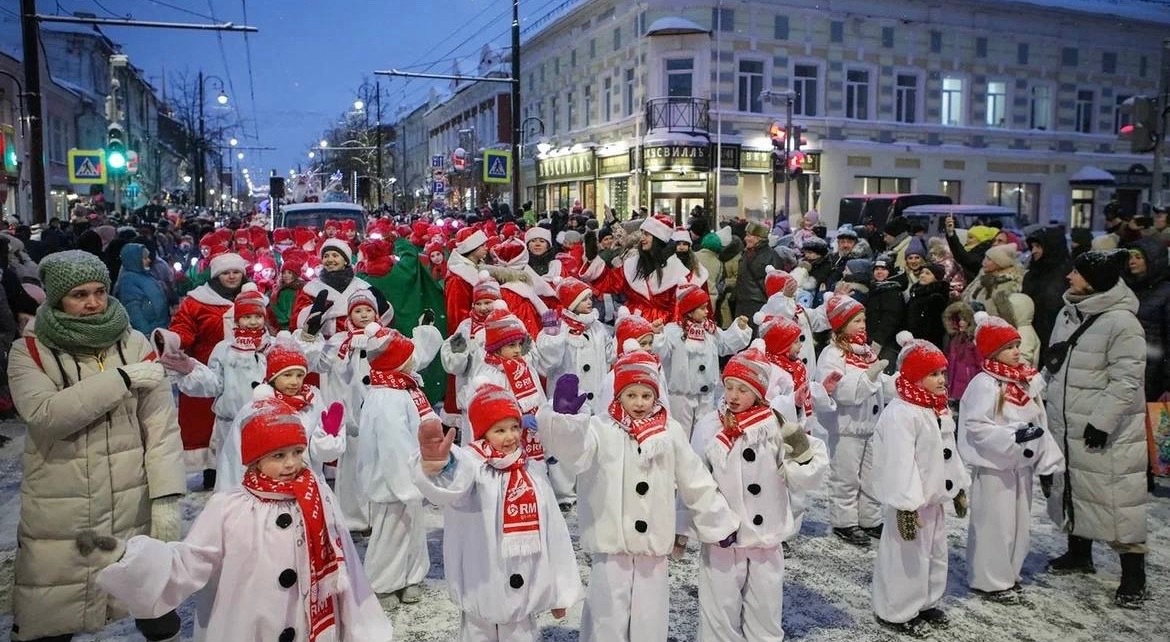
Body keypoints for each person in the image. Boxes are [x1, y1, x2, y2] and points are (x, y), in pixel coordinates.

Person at [89, 402, 395, 642]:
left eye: (297, 452)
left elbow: (345, 564)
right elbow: (191, 560)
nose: (290, 463)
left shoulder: (317, 495)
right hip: (249, 626)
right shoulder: (229, 506)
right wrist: (131, 560)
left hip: (308, 623)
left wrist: (361, 625)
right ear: (255, 460)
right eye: (278, 455)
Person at [8, 250, 185, 642]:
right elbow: (46, 414)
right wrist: (120, 380)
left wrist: (167, 496)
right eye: (79, 294)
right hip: (62, 508)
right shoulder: (30, 350)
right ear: (56, 299)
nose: (92, 303)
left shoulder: (134, 342)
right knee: (52, 613)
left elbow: (160, 426)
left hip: (130, 500)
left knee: (158, 614)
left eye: (99, 291)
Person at [536, 362, 739, 642]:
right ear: (618, 396)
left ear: (656, 397)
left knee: (649, 624)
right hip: (612, 549)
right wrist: (565, 421)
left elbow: (695, 480)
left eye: (646, 396)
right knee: (605, 623)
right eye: (631, 395)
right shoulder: (600, 428)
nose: (640, 403)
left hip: (652, 551)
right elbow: (574, 454)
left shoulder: (669, 431)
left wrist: (718, 522)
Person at [414, 383, 584, 641]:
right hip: (481, 588)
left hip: (524, 594)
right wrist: (438, 466)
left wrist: (560, 592)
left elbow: (554, 533)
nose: (511, 437)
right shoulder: (473, 466)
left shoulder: (532, 471)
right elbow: (450, 483)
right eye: (500, 430)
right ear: (483, 433)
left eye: (515, 427)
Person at [690, 349, 829, 641]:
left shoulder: (776, 425)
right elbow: (695, 481)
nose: (733, 395)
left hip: (766, 537)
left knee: (765, 610)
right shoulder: (711, 426)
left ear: (758, 392)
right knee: (719, 614)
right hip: (724, 539)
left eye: (743, 389)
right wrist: (710, 522)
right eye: (729, 387)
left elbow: (806, 470)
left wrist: (802, 456)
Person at [1044, 249, 1149, 609]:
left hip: (1105, 428)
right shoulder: (1068, 311)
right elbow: (1056, 362)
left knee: (1116, 499)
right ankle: (1079, 554)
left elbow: (1127, 380)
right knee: (1072, 487)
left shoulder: (1122, 322)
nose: (1069, 276)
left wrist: (1102, 422)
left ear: (1094, 281)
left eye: (1076, 272)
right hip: (1067, 420)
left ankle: (1134, 575)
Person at [959, 312, 1064, 604]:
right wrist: (1012, 437)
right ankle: (989, 579)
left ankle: (1009, 572)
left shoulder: (1020, 379)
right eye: (1009, 347)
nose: (1017, 351)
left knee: (1018, 523)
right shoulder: (985, 383)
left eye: (1017, 345)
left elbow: (1035, 409)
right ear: (992, 352)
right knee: (995, 524)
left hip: (1021, 465)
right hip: (996, 467)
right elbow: (976, 426)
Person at [870, 332, 970, 636]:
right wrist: (905, 505)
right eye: (933, 374)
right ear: (914, 376)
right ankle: (896, 609)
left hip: (933, 499)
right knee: (905, 556)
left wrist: (957, 487)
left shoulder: (935, 407)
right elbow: (900, 462)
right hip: (911, 503)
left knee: (935, 552)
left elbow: (947, 451)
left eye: (942, 373)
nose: (942, 379)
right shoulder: (902, 413)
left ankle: (926, 601)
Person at [356, 326, 433, 604]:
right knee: (391, 532)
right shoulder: (388, 397)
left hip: (412, 474)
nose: (415, 361)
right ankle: (383, 581)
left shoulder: (402, 388)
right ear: (398, 363)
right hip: (394, 480)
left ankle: (410, 577)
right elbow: (393, 445)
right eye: (410, 358)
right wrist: (408, 483)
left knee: (412, 530)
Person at [168, 251, 249, 488]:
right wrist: (174, 341)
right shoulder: (196, 302)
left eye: (236, 272)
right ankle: (211, 472)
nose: (232, 277)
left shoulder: (253, 298)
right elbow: (183, 328)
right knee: (207, 423)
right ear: (216, 275)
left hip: (244, 374)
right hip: (207, 371)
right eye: (226, 273)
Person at [816, 294, 889, 547]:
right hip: (846, 427)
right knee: (846, 477)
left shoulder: (866, 351)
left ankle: (870, 518)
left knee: (871, 476)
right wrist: (867, 379)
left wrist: (895, 384)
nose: (863, 324)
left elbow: (879, 383)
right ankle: (844, 521)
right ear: (841, 324)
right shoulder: (832, 354)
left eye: (864, 319)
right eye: (856, 320)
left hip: (871, 426)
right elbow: (838, 389)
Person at [658, 283, 752, 439]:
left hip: (706, 397)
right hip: (681, 397)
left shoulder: (710, 331)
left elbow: (726, 344)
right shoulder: (673, 332)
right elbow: (661, 353)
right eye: (702, 308)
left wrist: (739, 329)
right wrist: (658, 337)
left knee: (703, 434)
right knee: (680, 434)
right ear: (690, 309)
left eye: (706, 307)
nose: (707, 311)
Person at [536, 277, 613, 416]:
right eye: (584, 299)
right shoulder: (560, 328)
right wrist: (552, 337)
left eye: (590, 298)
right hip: (568, 399)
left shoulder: (597, 327)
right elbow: (547, 364)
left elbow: (609, 354)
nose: (589, 302)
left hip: (597, 395)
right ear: (571, 303)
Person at [1122, 237, 1170, 403]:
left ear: (1153, 260)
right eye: (1130, 257)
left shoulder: (1166, 292)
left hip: (1153, 373)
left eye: (1138, 257)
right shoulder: (1127, 289)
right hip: (1127, 367)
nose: (1132, 262)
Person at [1022, 227, 1071, 350]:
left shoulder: (1069, 276)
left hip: (1057, 340)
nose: (1033, 251)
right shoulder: (1031, 275)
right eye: (1032, 247)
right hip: (1032, 339)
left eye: (1038, 246)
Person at [733, 221, 786, 323]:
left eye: (749, 236)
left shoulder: (772, 256)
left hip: (759, 305)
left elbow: (777, 284)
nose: (745, 238)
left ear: (758, 238)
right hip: (742, 303)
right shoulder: (746, 253)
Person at [113, 242, 170, 335]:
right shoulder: (128, 280)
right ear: (134, 259)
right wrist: (146, 332)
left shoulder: (146, 275)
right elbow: (133, 309)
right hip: (148, 332)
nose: (149, 260)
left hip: (159, 328)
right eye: (144, 258)